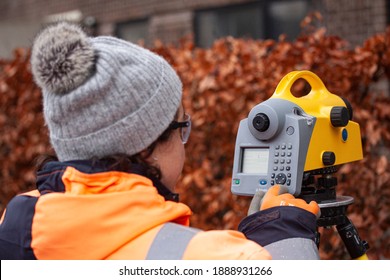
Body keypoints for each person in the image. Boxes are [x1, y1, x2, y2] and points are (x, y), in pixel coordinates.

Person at [0, 22, 320, 260]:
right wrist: (284, 237)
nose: (185, 141)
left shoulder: (15, 226)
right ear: (146, 146)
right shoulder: (213, 259)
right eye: (182, 126)